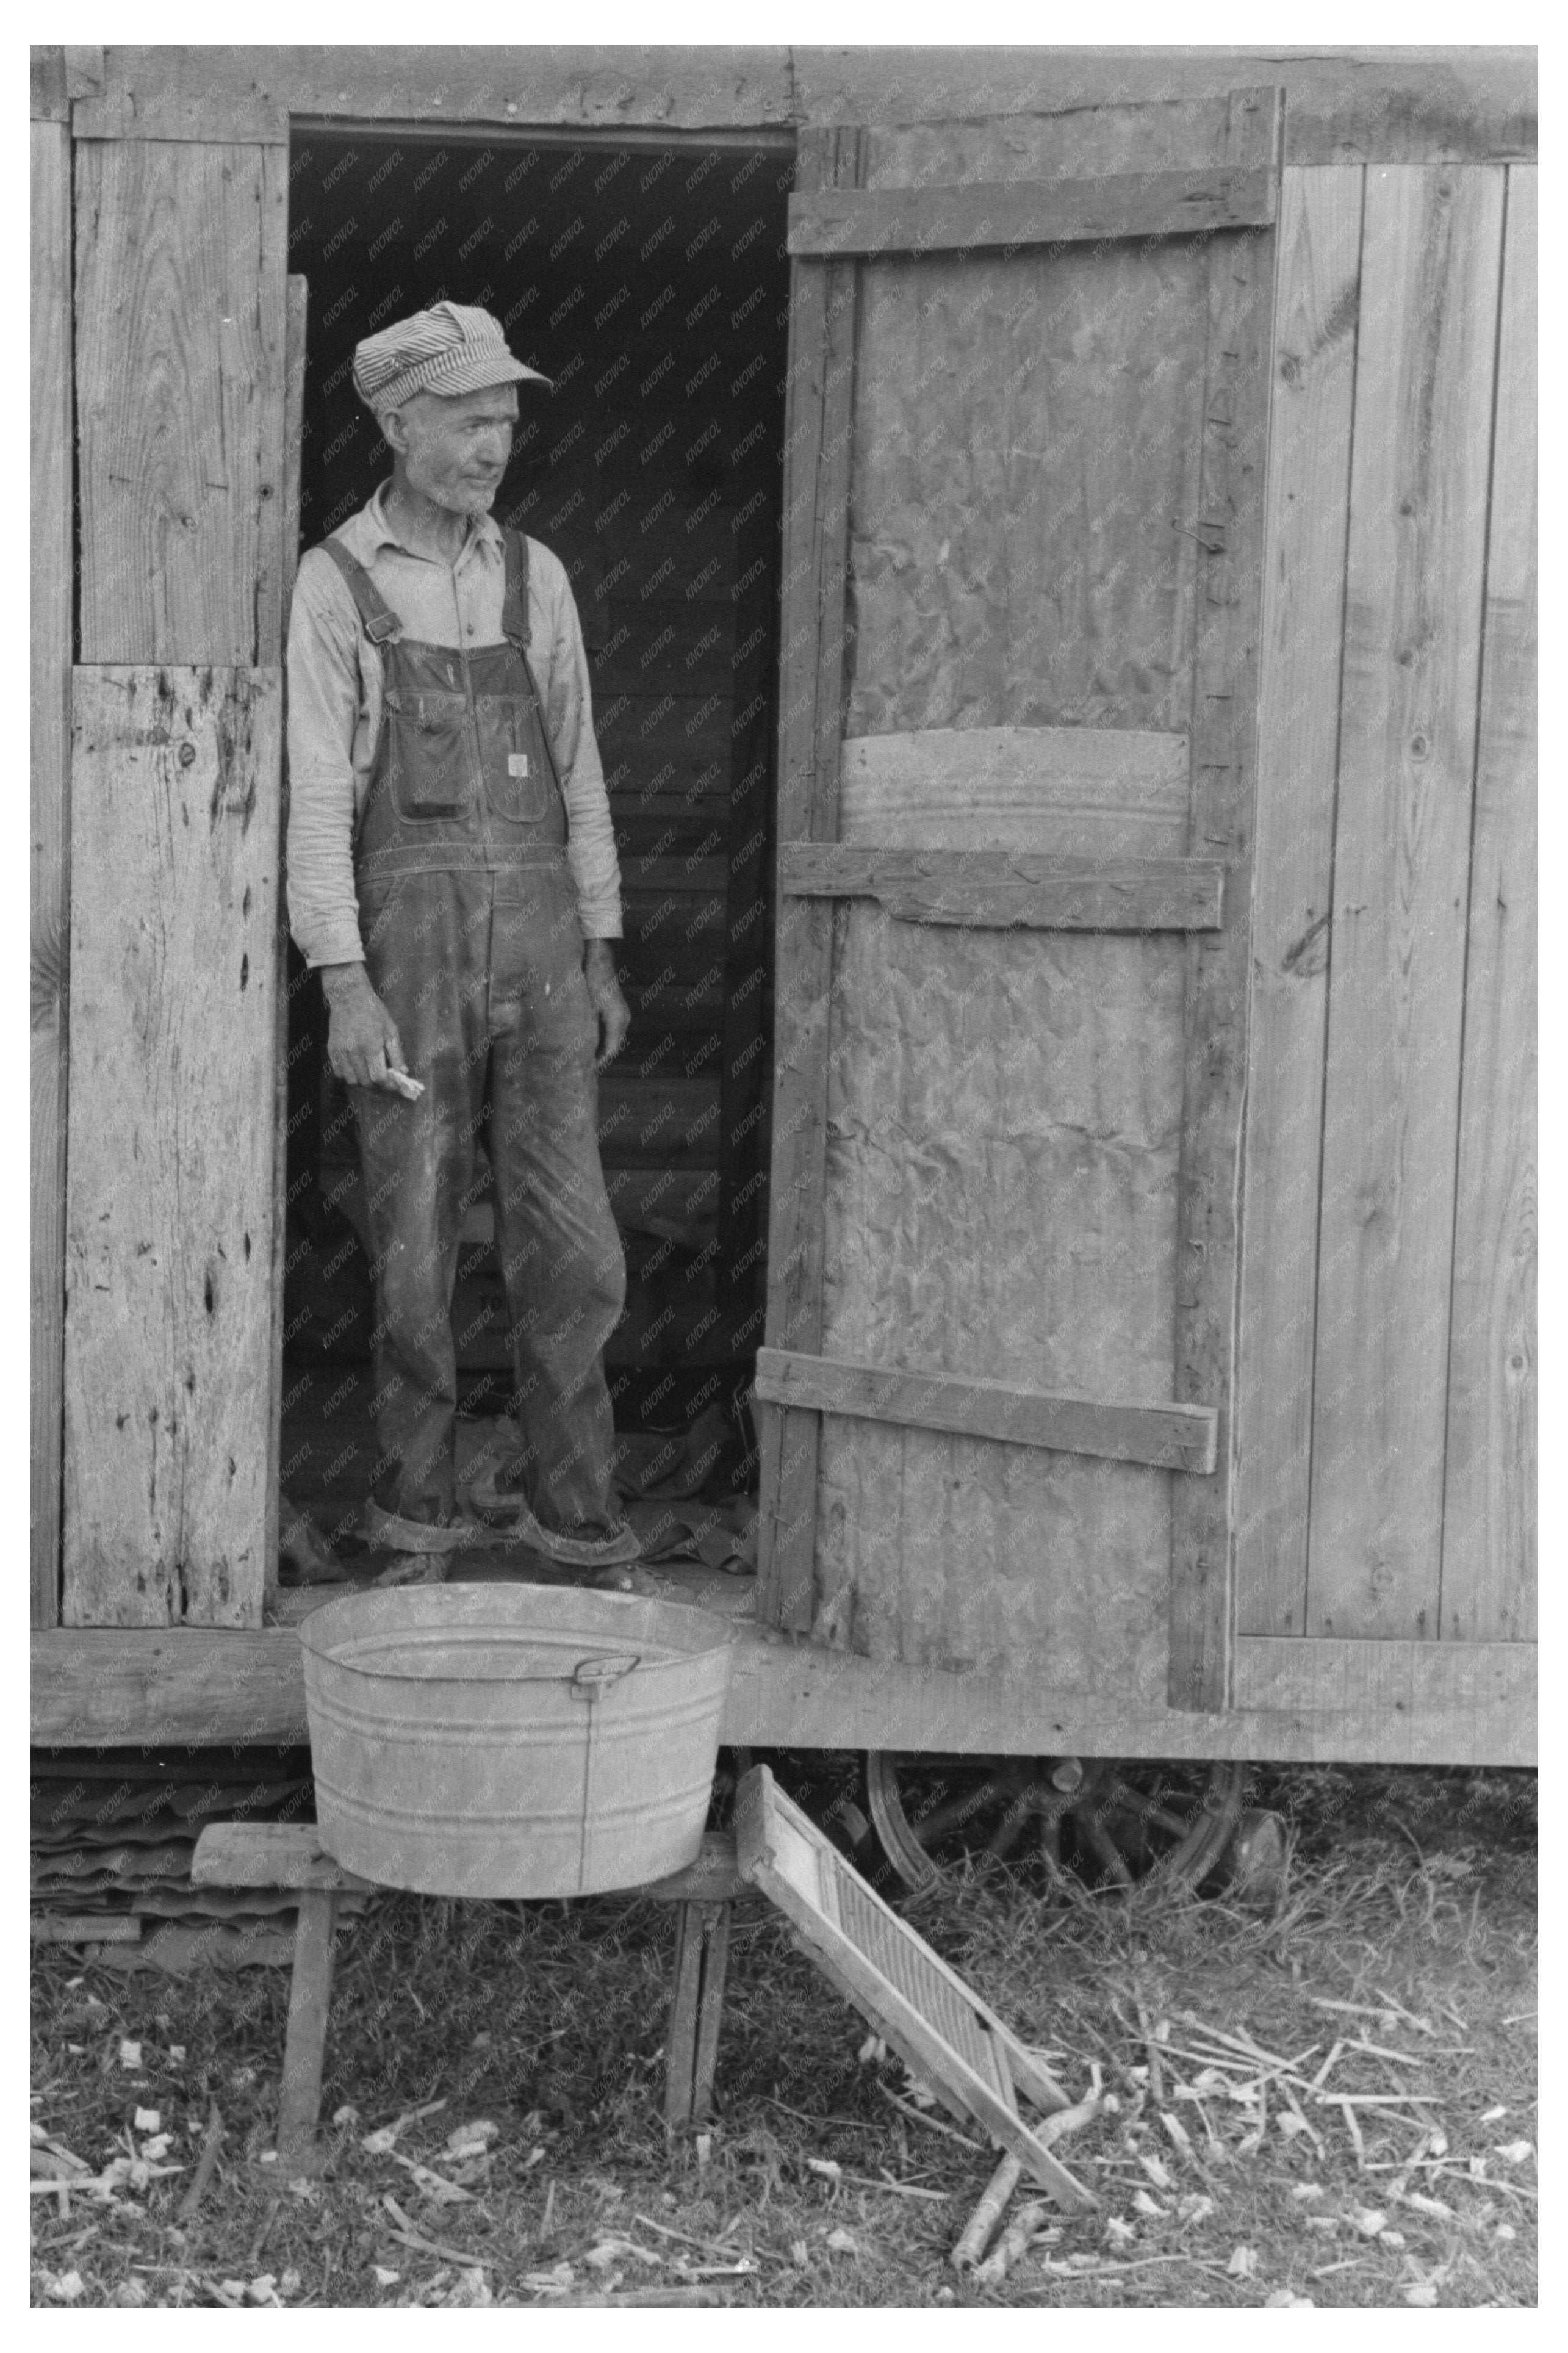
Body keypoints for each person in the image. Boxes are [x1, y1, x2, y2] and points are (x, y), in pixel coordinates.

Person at [286, 300, 638, 1586]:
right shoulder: (336, 583)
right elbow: (317, 797)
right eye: (467, 419)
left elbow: (579, 770)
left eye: (506, 420)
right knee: (413, 1251)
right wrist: (344, 981)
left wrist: (599, 946)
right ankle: (415, 1520)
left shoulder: (535, 575)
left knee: (573, 1251)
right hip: (408, 954)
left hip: (542, 952)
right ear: (396, 422)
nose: (493, 445)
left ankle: (577, 1520)